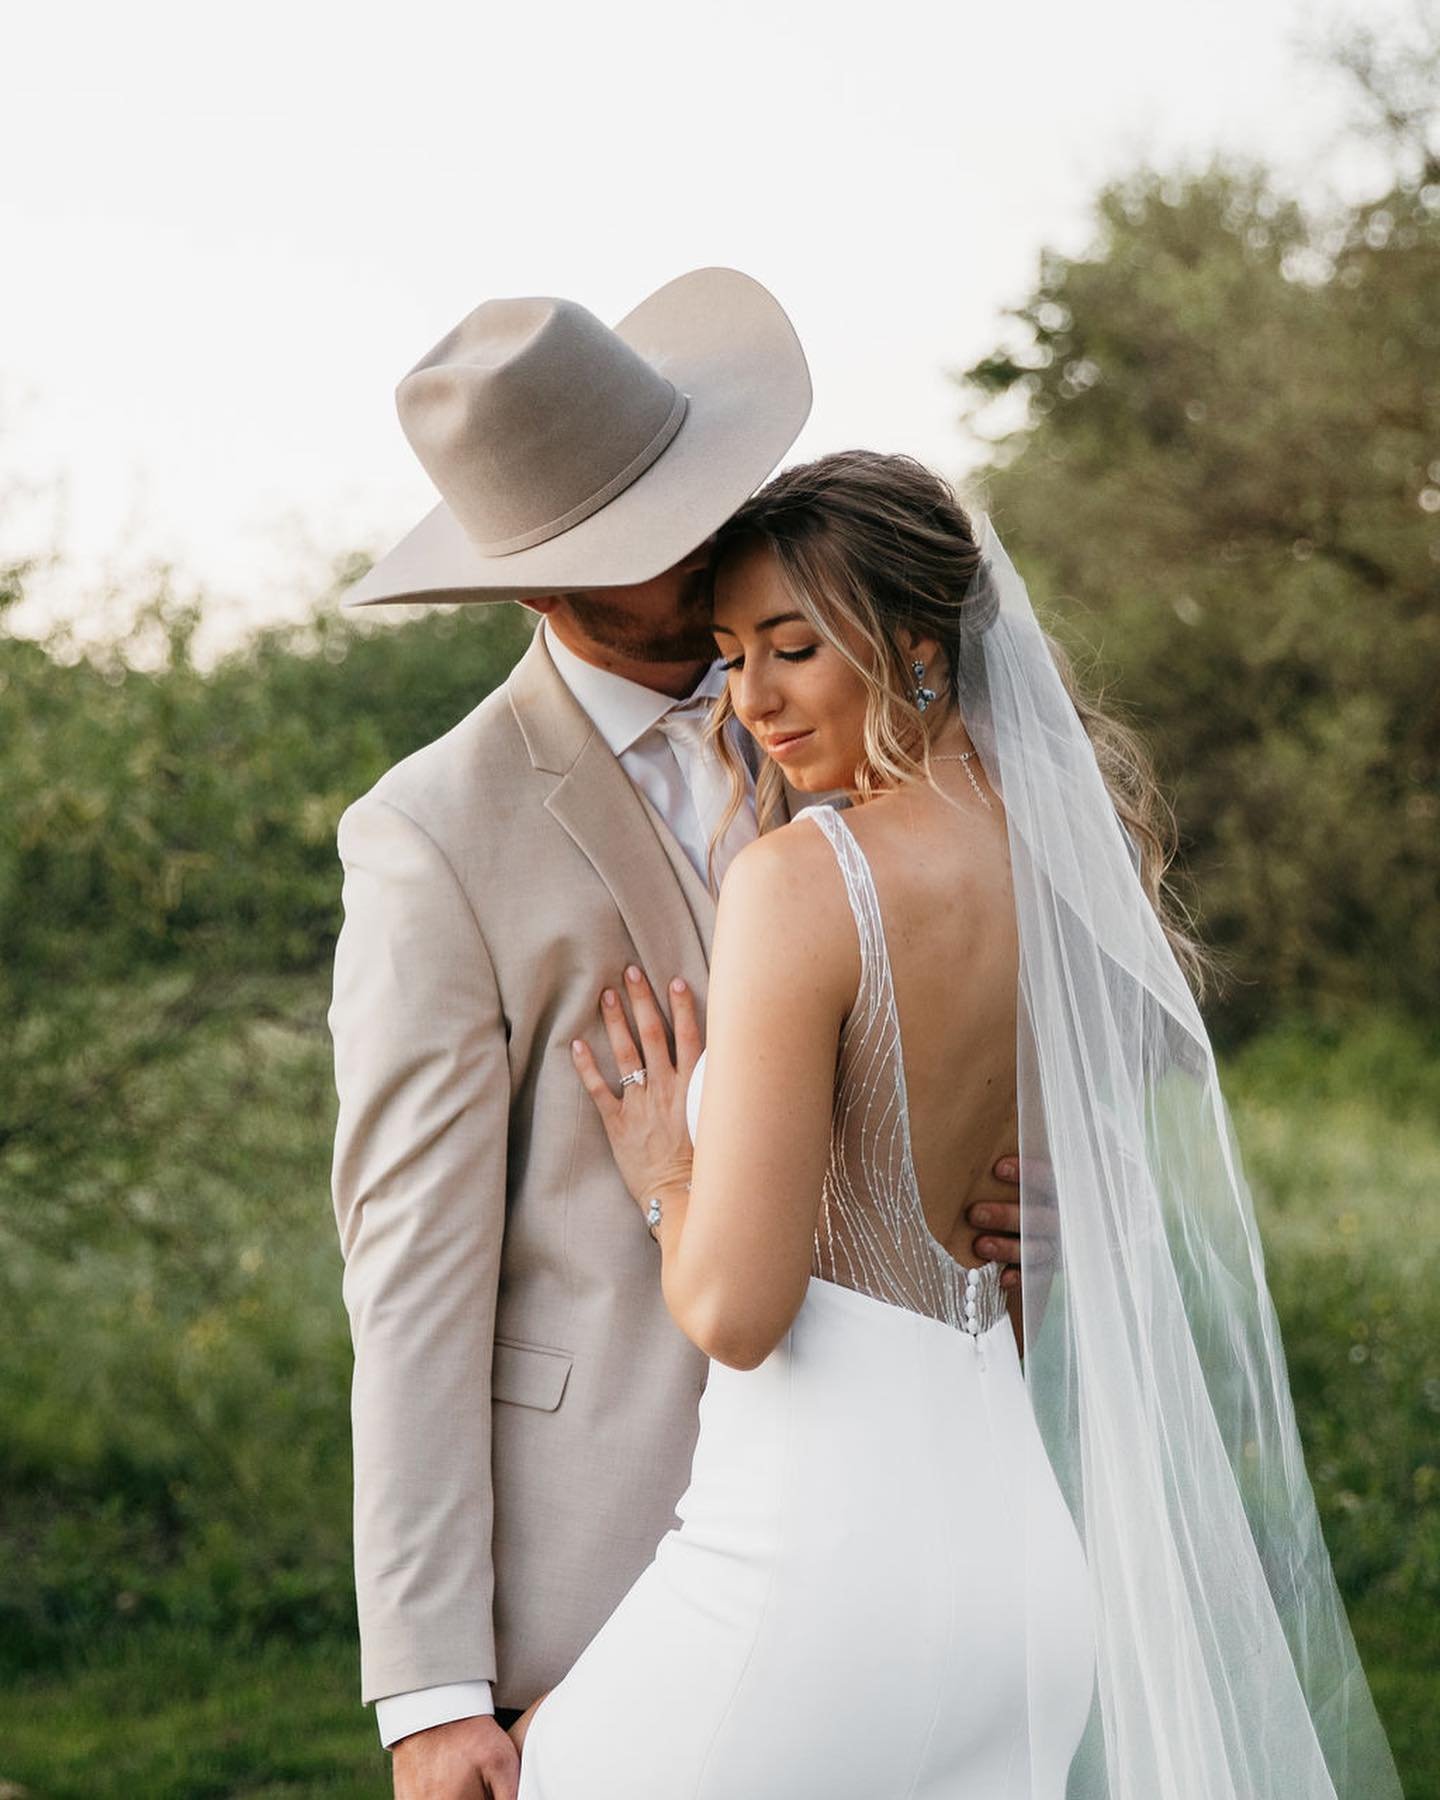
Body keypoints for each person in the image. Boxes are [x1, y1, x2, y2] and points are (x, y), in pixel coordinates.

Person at [508, 450, 1402, 1799]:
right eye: (732, 654)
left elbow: (739, 1312)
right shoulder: (1060, 862)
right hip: (1022, 1587)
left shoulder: (802, 884)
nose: (751, 701)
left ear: (918, 645)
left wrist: (662, 1170)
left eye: (794, 649)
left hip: (811, 1576)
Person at [327, 272, 1029, 1800]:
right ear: (538, 580)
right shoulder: (432, 836)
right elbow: (412, 1278)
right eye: (649, 539)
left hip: (887, 1534)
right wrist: (432, 1690)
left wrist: (1034, 1212)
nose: (707, 546)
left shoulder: (845, 721)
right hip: (604, 1565)